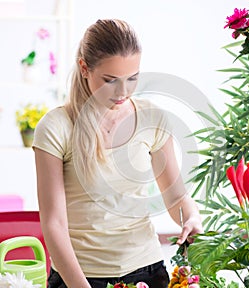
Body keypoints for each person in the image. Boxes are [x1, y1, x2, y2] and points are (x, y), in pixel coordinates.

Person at [33, 19, 202, 288]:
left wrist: (191, 216)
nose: (123, 92)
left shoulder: (151, 118)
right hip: (79, 276)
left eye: (132, 78)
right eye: (110, 80)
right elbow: (53, 224)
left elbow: (175, 196)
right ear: (84, 68)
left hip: (147, 271)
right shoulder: (56, 127)